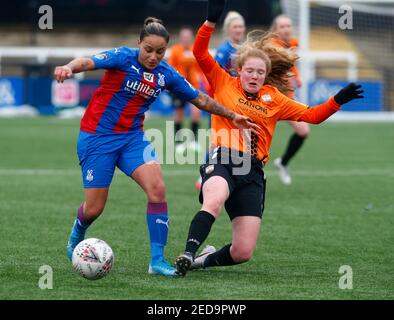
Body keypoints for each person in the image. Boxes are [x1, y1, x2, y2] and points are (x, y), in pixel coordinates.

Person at [54, 17, 257, 277]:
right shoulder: (122, 57)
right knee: (94, 208)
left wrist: (232, 115)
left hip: (132, 139)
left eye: (159, 51)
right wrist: (68, 68)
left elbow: (201, 99)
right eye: (148, 49)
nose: (152, 56)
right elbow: (87, 62)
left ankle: (157, 261)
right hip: (97, 137)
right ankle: (76, 235)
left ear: (166, 50)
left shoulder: (165, 74)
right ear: (139, 43)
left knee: (158, 189)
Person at [175, 0, 364, 276]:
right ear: (239, 70)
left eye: (260, 72)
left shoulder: (274, 98)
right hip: (224, 158)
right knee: (212, 200)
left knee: (242, 252)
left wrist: (337, 100)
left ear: (266, 76)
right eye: (249, 70)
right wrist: (210, 22)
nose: (254, 75)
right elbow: (200, 52)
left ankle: (198, 261)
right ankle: (186, 254)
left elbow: (312, 116)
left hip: (253, 171)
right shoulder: (223, 81)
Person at [194, 10, 246, 190]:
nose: (239, 30)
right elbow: (213, 77)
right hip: (223, 103)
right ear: (228, 29)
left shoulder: (245, 50)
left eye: (241, 26)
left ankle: (238, 173)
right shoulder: (225, 51)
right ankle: (203, 174)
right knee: (217, 140)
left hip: (239, 103)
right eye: (235, 26)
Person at [270, 14, 309, 185]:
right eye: (282, 26)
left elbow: (292, 65)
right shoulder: (270, 48)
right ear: (275, 30)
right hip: (269, 101)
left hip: (286, 100)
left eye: (288, 26)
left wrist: (297, 77)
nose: (286, 29)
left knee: (303, 131)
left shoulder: (293, 44)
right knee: (255, 138)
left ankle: (283, 163)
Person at [167, 27, 205, 152]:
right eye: (184, 37)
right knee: (179, 113)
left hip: (193, 86)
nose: (186, 39)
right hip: (179, 87)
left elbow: (200, 68)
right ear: (180, 38)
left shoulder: (195, 50)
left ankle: (194, 141)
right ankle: (178, 142)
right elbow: (170, 68)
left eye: (188, 37)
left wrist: (200, 77)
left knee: (196, 112)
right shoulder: (175, 50)